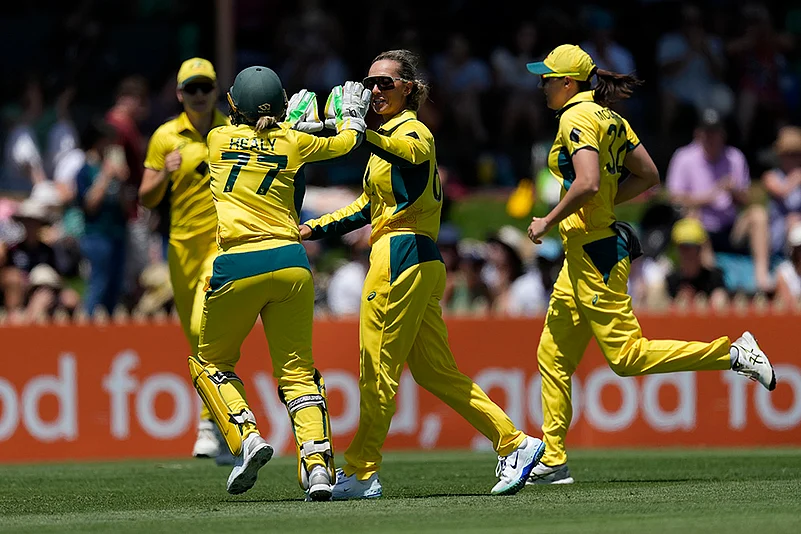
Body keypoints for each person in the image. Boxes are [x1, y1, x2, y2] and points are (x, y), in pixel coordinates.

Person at [524, 44, 777, 485]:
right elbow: (649, 175)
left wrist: (548, 218)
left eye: (546, 78)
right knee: (552, 353)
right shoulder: (611, 118)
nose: (541, 85)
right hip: (585, 253)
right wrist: (604, 200)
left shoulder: (575, 117)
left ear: (567, 83)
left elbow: (585, 182)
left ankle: (734, 353)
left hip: (595, 254)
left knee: (626, 357)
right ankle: (554, 459)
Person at [300, 49, 544, 499]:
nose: (374, 90)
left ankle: (360, 470)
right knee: (434, 372)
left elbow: (411, 154)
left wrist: (358, 131)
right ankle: (516, 442)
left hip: (401, 256)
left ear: (409, 88)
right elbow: (366, 207)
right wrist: (312, 226)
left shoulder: (412, 130)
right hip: (413, 257)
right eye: (369, 82)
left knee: (377, 370)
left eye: (385, 83)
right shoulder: (385, 136)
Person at [189, 65, 368, 501]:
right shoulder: (292, 142)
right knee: (298, 374)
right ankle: (319, 467)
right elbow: (346, 142)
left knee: (209, 364)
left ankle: (246, 436)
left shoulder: (215, 140)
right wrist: (352, 120)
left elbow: (248, 131)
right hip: (291, 262)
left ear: (234, 106)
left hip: (237, 265)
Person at [139, 58, 231, 461]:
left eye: (205, 88)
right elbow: (145, 197)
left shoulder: (230, 129)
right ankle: (227, 425)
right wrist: (164, 173)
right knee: (199, 343)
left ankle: (209, 425)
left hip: (220, 244)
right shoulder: (165, 136)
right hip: (181, 248)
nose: (198, 95)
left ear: (215, 91)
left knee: (202, 325)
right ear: (179, 94)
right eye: (191, 89)